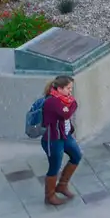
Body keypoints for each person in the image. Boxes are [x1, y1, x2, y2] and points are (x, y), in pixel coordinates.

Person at [40, 73, 81, 207]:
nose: (70, 91)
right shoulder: (52, 101)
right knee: (54, 167)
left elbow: (73, 105)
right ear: (59, 89)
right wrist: (72, 105)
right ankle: (50, 195)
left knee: (76, 155)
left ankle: (62, 185)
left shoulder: (64, 100)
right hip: (53, 139)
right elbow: (67, 113)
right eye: (68, 88)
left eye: (71, 88)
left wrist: (71, 105)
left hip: (65, 136)